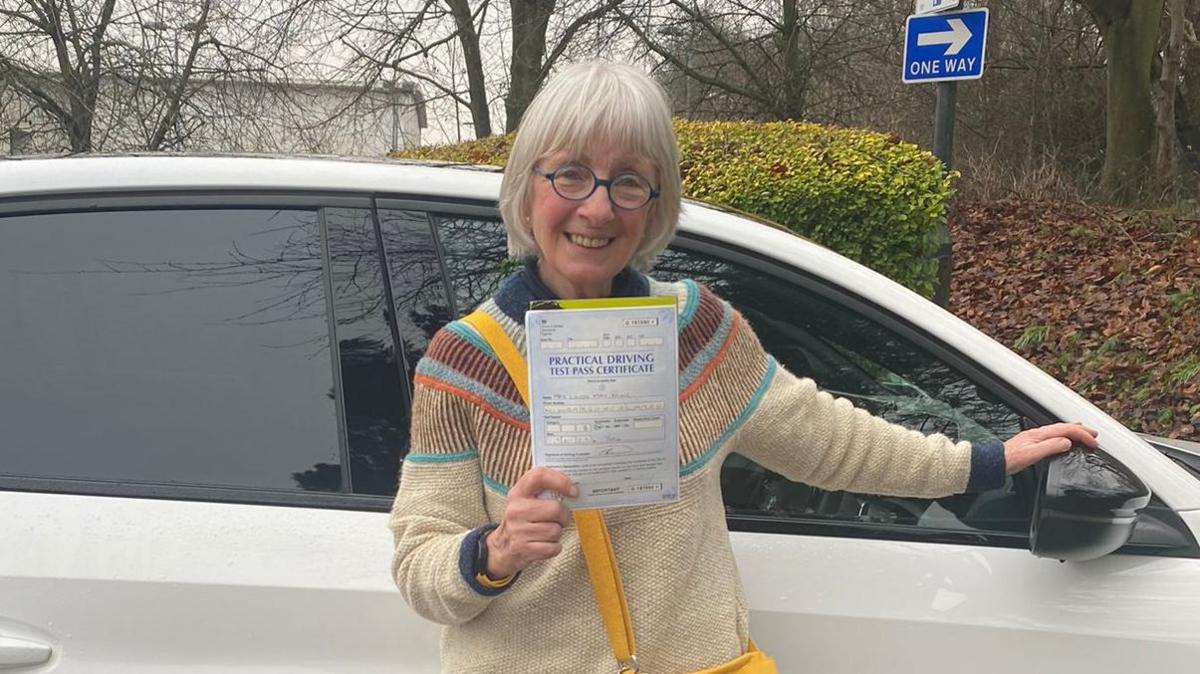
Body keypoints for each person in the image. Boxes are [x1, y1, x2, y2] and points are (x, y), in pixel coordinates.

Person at [388, 60, 1098, 673]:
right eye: (571, 174)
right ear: (528, 183)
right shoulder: (464, 363)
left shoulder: (697, 332)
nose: (598, 208)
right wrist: (498, 549)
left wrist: (985, 461)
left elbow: (829, 440)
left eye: (629, 181)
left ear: (654, 203)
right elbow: (420, 565)